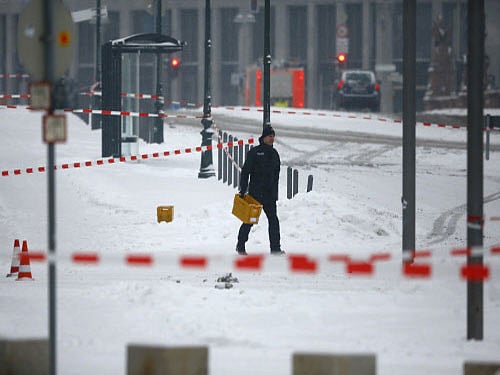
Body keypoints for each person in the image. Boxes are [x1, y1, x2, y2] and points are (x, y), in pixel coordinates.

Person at [236, 125, 284, 255]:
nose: (272, 138)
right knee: (249, 221)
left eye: (273, 136)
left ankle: (275, 248)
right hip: (256, 193)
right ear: (263, 137)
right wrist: (243, 189)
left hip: (270, 194)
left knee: (273, 220)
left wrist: (275, 192)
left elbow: (276, 176)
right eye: (270, 136)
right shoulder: (255, 152)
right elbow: (246, 171)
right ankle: (240, 245)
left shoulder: (274, 154)